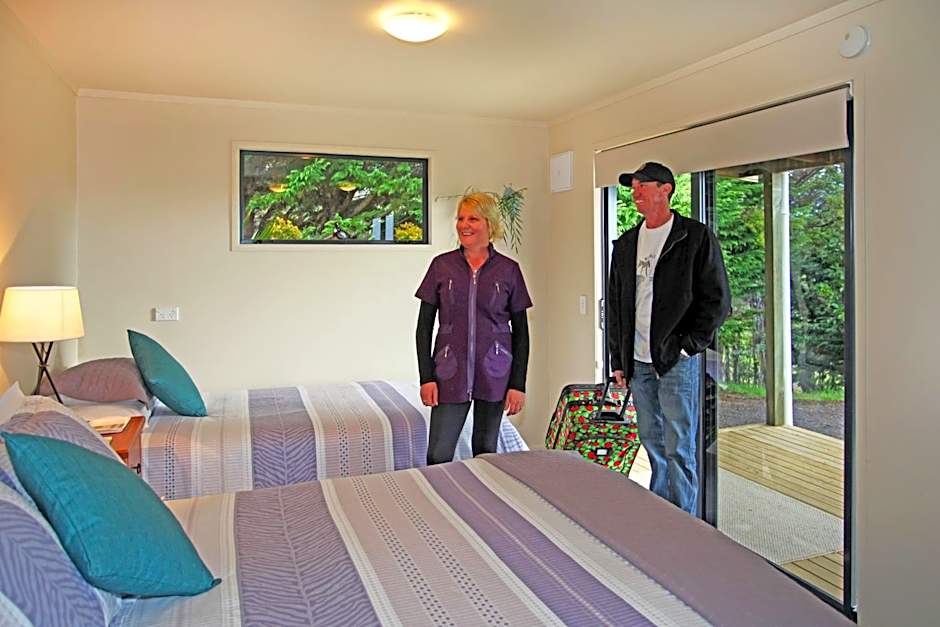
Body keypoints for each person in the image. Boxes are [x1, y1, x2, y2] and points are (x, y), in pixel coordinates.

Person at [607, 162, 730, 514]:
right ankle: (659, 513)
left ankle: (685, 521)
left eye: (643, 185)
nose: (636, 192)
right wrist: (618, 359)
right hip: (638, 360)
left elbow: (717, 300)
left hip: (675, 359)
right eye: (633, 187)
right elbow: (616, 305)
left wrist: (688, 345)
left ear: (666, 190)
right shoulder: (626, 244)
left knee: (680, 446)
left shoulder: (694, 237)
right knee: (651, 440)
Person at [415, 191, 532, 465]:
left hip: (495, 371)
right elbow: (423, 328)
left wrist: (517, 384)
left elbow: (522, 334)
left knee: (486, 453)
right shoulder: (442, 266)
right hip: (449, 372)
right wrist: (426, 377)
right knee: (438, 454)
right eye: (461, 218)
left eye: (473, 219)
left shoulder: (508, 270)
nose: (464, 225)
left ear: (489, 224)